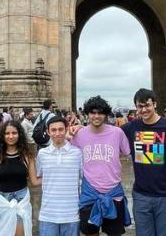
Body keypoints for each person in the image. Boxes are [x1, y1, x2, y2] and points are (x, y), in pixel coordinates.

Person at [121, 88, 166, 236]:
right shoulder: (130, 127)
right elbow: (106, 135)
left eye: (147, 105)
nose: (144, 109)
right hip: (141, 195)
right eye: (140, 106)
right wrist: (77, 130)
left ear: (155, 104)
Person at [71, 96, 131, 236]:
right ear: (87, 114)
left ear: (105, 114)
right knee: (90, 233)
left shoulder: (117, 133)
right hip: (89, 193)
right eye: (93, 112)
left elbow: (129, 154)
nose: (96, 116)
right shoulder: (78, 134)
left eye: (100, 113)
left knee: (114, 233)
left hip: (113, 192)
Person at [0, 120, 38, 236]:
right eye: (7, 133)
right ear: (2, 135)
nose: (10, 136)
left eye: (14, 133)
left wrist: (57, 175)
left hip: (21, 202)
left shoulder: (27, 155)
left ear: (19, 134)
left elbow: (35, 181)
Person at [36, 116, 82, 236]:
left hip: (71, 214)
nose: (57, 133)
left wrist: (81, 127)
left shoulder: (77, 153)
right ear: (48, 131)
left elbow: (83, 179)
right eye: (54, 130)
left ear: (66, 129)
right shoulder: (42, 154)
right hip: (48, 214)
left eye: (61, 129)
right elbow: (39, 176)